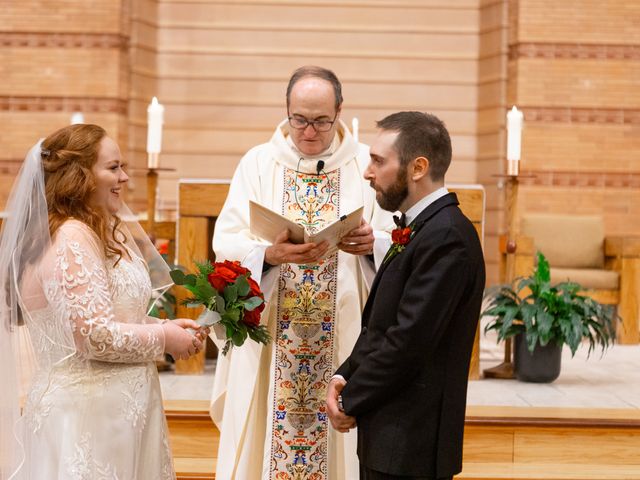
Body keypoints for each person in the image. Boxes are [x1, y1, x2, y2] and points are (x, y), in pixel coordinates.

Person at [210, 66, 395, 479]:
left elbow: (399, 237)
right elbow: (227, 241)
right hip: (274, 335)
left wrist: (373, 245)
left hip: (345, 331)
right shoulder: (258, 163)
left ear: (340, 112)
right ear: (286, 110)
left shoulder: (366, 165)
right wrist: (270, 255)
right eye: (300, 120)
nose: (309, 132)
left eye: (320, 122)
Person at [0, 124, 208, 479]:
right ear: (79, 176)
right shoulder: (72, 237)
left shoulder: (86, 230)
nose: (124, 177)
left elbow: (107, 313)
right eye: (113, 168)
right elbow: (94, 336)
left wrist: (162, 325)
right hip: (89, 421)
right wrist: (165, 341)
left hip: (113, 414)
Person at [327, 112, 485, 480]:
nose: (368, 172)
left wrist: (351, 398)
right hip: (392, 437)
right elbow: (382, 324)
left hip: (413, 444)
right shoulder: (421, 229)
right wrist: (342, 375)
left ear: (418, 168)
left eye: (379, 161)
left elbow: (408, 342)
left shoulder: (447, 238)